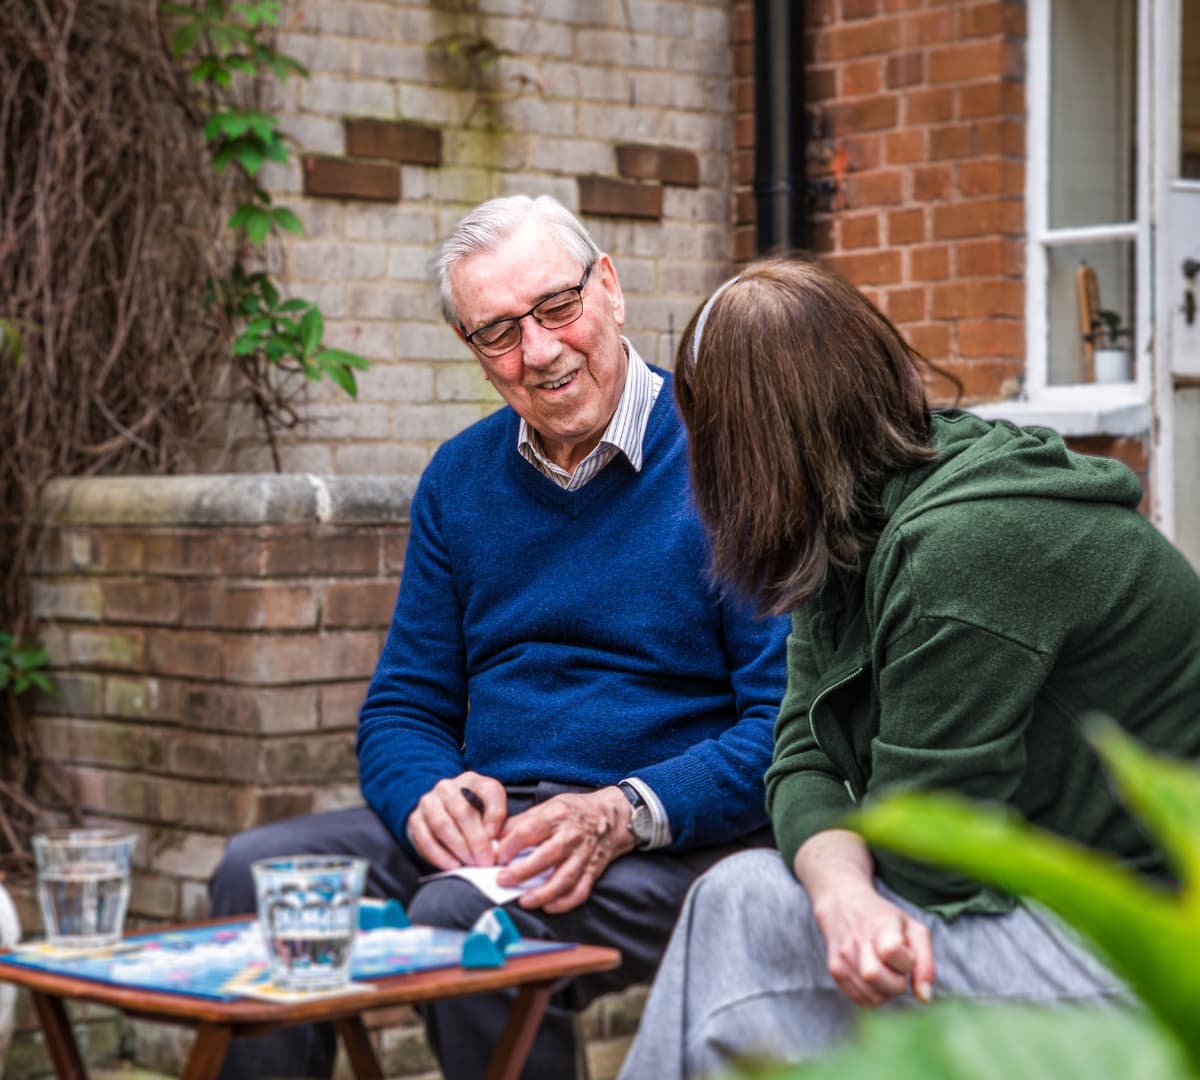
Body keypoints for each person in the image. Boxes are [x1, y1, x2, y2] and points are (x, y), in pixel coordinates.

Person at [208, 195, 789, 1080]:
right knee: (261, 876)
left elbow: (782, 723)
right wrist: (422, 796)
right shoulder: (459, 479)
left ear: (610, 288)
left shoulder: (728, 456)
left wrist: (622, 811)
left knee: (463, 925)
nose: (542, 351)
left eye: (558, 308)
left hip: (670, 837)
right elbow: (404, 706)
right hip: (495, 833)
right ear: (474, 353)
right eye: (500, 332)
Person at [617, 257, 1200, 1079]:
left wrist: (842, 884)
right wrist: (842, 893)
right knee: (751, 900)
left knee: (744, 909)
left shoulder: (964, 552)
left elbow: (932, 856)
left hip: (1150, 954)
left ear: (743, 448)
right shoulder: (857, 516)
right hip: (1045, 914)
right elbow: (801, 758)